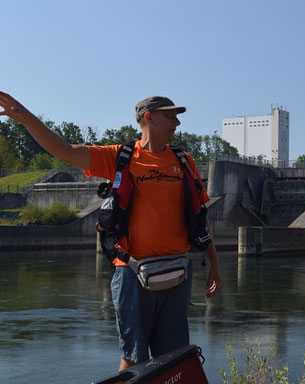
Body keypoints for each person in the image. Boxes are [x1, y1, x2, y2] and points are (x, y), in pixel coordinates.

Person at [0, 92, 222, 371]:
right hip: (132, 273)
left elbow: (201, 218)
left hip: (178, 274)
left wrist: (214, 263)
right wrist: (24, 117)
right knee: (132, 359)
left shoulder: (184, 161)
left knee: (175, 361)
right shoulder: (120, 157)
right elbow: (65, 151)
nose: (177, 123)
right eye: (170, 116)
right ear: (149, 118)